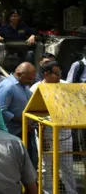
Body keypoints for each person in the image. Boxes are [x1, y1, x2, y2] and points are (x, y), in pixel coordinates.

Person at [30, 61, 76, 194]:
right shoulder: (35, 88)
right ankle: (47, 191)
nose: (59, 76)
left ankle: (71, 191)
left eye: (60, 73)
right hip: (44, 134)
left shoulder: (66, 86)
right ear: (46, 74)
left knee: (67, 166)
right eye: (56, 74)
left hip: (64, 133)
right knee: (45, 167)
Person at [0, 62, 37, 168]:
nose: (31, 82)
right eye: (29, 79)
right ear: (19, 74)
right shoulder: (7, 87)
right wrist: (22, 120)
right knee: (15, 165)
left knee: (28, 164)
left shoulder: (24, 85)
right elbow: (1, 111)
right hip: (12, 133)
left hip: (26, 131)